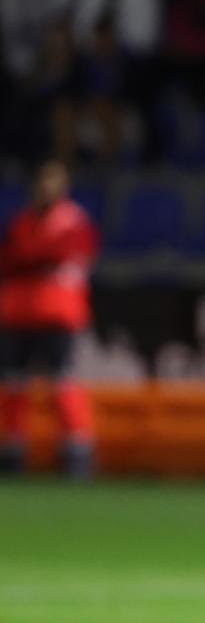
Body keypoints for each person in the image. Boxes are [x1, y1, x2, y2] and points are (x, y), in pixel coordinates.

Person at [0, 160, 99, 478]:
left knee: (62, 383)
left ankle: (76, 451)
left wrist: (28, 259)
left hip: (58, 314)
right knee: (13, 384)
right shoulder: (22, 221)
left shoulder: (73, 222)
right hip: (18, 313)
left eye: (52, 181)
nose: (46, 188)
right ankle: (12, 450)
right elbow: (10, 259)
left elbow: (56, 253)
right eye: (42, 181)